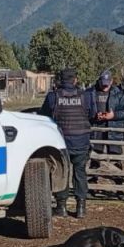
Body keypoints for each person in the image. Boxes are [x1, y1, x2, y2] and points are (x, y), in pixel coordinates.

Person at [40, 68, 94, 218]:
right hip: (81, 141)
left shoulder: (53, 97)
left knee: (62, 174)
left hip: (61, 142)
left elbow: (44, 115)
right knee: (80, 173)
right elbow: (92, 114)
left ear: (61, 80)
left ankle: (61, 207)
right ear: (75, 80)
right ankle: (81, 208)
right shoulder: (85, 96)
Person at [89, 70, 124, 156]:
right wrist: (94, 115)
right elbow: (84, 111)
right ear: (99, 81)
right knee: (95, 160)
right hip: (96, 131)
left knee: (115, 159)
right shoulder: (90, 93)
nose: (105, 86)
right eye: (103, 83)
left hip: (114, 132)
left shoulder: (118, 94)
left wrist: (113, 115)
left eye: (107, 84)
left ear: (111, 81)